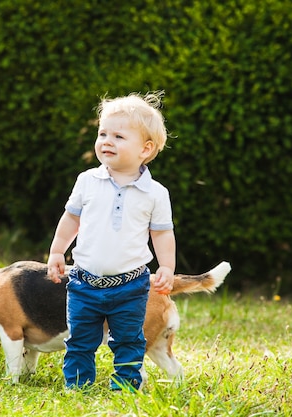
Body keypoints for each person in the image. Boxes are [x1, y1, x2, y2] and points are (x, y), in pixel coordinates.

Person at [47, 91, 175, 391]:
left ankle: (126, 388)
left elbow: (162, 233)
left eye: (118, 136)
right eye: (102, 133)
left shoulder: (156, 193)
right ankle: (77, 386)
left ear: (146, 149)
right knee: (79, 340)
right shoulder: (87, 181)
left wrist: (167, 266)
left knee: (130, 341)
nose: (106, 140)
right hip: (83, 283)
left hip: (131, 287)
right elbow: (71, 219)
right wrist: (57, 251)